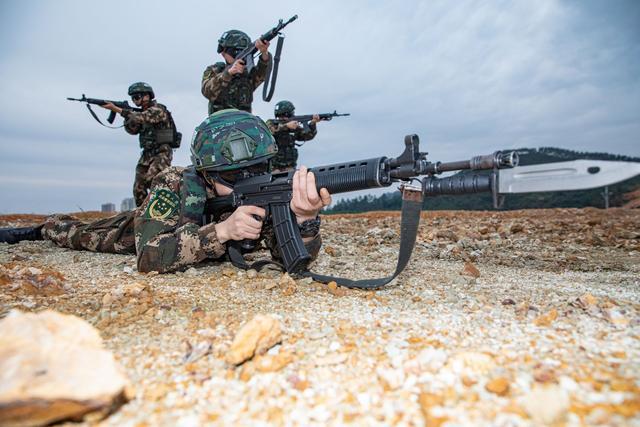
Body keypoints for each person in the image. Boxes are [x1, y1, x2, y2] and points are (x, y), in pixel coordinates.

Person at [0, 110, 331, 274]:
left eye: (259, 170)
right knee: (73, 231)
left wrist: (304, 221)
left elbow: (287, 256)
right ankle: (41, 227)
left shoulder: (264, 192)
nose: (248, 180)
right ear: (205, 172)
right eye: (232, 176)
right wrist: (222, 231)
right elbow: (148, 256)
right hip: (136, 232)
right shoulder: (173, 183)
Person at [100, 82, 181, 207]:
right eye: (133, 98)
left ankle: (164, 209)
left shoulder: (158, 110)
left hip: (162, 152)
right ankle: (142, 213)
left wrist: (118, 110)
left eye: (138, 97)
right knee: (138, 188)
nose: (135, 101)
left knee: (154, 180)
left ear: (147, 96)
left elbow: (144, 117)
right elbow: (132, 130)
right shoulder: (137, 113)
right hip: (147, 153)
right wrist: (126, 117)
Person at [201, 30, 271, 115]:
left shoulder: (247, 74)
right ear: (223, 52)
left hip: (243, 124)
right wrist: (228, 73)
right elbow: (207, 92)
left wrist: (264, 53)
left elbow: (262, 75)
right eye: (234, 51)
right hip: (219, 124)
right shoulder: (215, 70)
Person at [266, 100, 319, 171]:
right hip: (274, 168)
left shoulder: (294, 127)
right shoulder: (271, 123)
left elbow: (308, 136)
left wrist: (313, 123)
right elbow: (269, 131)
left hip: (290, 167)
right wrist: (286, 126)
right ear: (288, 113)